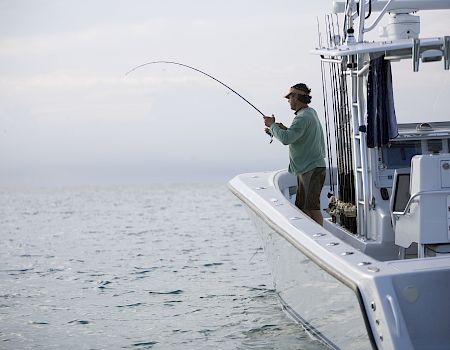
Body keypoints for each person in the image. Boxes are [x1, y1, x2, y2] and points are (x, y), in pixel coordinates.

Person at [264, 83, 326, 225]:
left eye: (289, 97)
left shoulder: (301, 118)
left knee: (311, 208)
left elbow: (286, 139)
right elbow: (297, 135)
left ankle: (317, 238)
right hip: (310, 168)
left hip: (310, 169)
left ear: (296, 97)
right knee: (305, 208)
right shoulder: (310, 112)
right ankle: (312, 236)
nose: (288, 100)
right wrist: (281, 128)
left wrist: (272, 126)